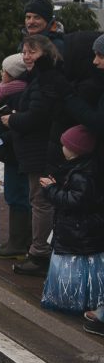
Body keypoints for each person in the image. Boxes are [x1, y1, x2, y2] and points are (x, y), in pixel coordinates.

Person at [3, 34, 71, 275]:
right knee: (41, 200)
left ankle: (40, 253)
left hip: (42, 150)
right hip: (39, 149)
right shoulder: (39, 78)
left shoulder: (47, 79)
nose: (26, 56)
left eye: (31, 52)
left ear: (46, 53)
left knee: (41, 201)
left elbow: (37, 116)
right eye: (24, 52)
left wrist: (13, 119)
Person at [38, 125, 104, 314]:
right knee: (86, 266)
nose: (61, 148)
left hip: (77, 230)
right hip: (79, 230)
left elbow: (74, 201)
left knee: (74, 267)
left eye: (65, 145)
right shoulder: (81, 168)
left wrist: (51, 189)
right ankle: (86, 299)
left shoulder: (82, 174)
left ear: (76, 149)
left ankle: (70, 300)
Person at [0, 53, 33, 259]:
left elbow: (12, 127)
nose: (1, 73)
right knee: (18, 194)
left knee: (17, 195)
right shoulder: (9, 92)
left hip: (17, 153)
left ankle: (18, 242)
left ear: (12, 74)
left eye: (4, 70)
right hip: (15, 152)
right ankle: (21, 241)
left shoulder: (16, 95)